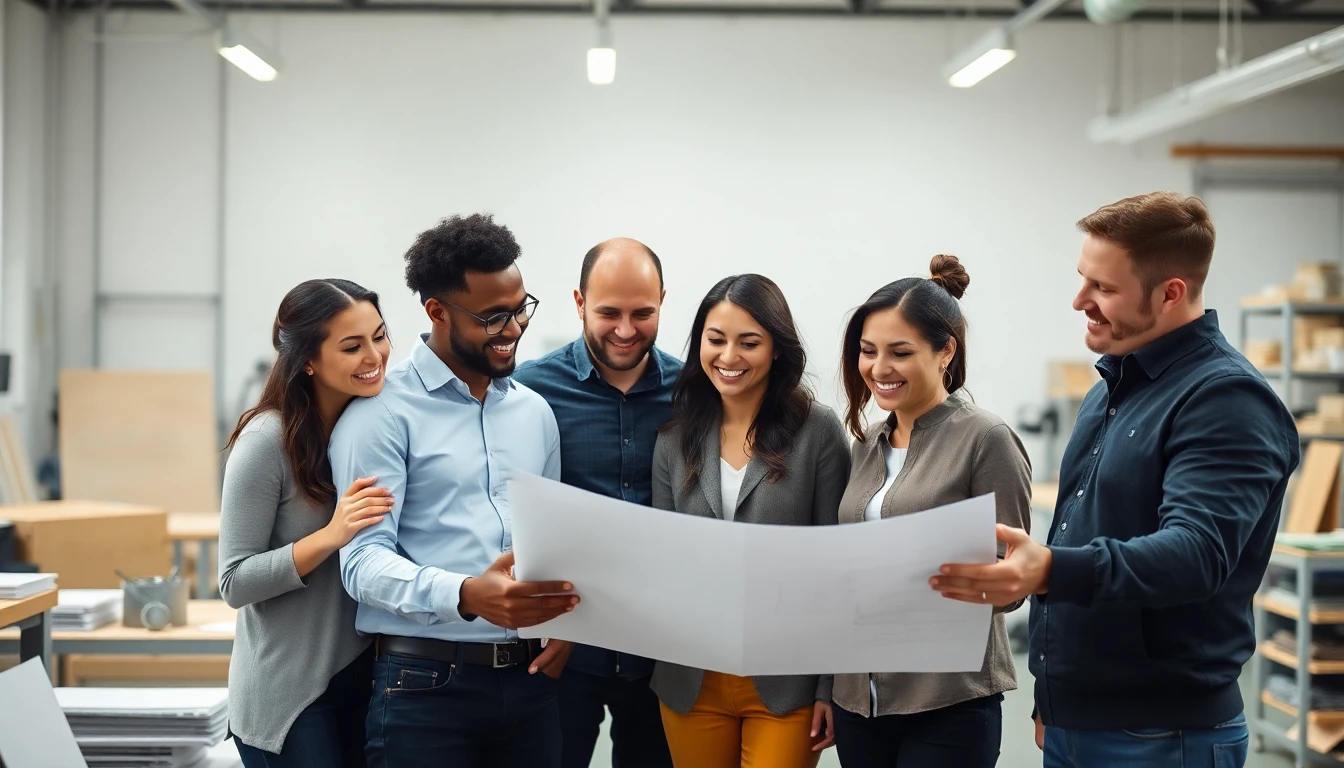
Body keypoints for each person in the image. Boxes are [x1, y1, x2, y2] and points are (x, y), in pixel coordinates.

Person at [931, 192, 1300, 768]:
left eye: (1102, 288)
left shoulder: (1225, 399)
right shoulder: (1112, 388)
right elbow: (1092, 533)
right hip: (1076, 720)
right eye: (1083, 279)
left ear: (1171, 292)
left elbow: (1195, 555)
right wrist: (1052, 697)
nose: (1079, 301)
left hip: (1161, 735)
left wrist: (1050, 569)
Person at [329, 213, 580, 768]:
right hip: (423, 686)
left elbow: (556, 542)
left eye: (519, 309)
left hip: (531, 684)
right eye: (492, 317)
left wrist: (567, 627)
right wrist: (466, 593)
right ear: (437, 312)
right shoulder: (380, 416)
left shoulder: (534, 413)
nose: (513, 329)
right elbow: (362, 563)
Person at [829, 255, 1031, 768]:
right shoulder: (867, 444)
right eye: (867, 351)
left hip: (949, 700)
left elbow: (1013, 583)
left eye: (900, 352)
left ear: (946, 352)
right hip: (860, 700)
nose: (878, 368)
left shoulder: (985, 439)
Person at [650, 273, 849, 768]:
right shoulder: (674, 439)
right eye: (715, 340)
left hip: (787, 681)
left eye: (749, 342)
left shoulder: (818, 430)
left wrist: (829, 685)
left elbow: (837, 568)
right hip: (690, 677)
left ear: (777, 349)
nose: (729, 357)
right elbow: (660, 561)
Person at [513, 238, 679, 768]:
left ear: (662, 302)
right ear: (580, 302)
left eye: (642, 313)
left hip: (662, 650)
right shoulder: (529, 391)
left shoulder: (695, 392)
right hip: (561, 647)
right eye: (609, 312)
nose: (626, 330)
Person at [219, 278, 394, 767]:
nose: (375, 355)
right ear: (309, 360)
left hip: (365, 677)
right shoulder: (265, 441)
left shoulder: (372, 428)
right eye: (352, 346)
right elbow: (234, 581)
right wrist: (331, 535)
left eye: (379, 336)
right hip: (290, 694)